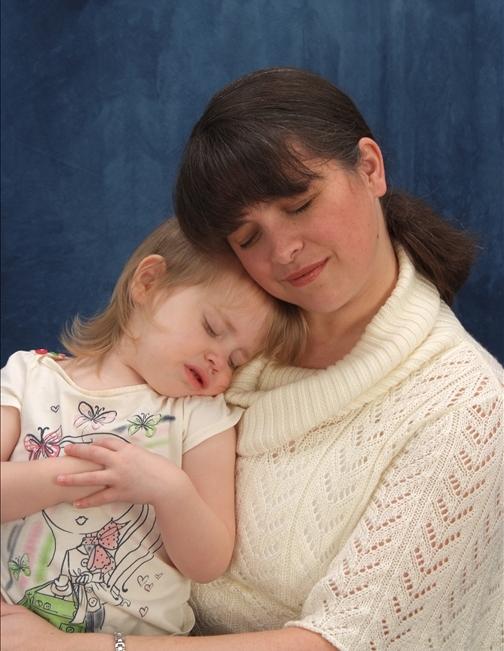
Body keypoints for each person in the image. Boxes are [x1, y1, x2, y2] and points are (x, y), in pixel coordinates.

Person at [1, 67, 502, 651]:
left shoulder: (468, 411)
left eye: (300, 204)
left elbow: (344, 643)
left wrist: (67, 646)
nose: (283, 251)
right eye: (247, 238)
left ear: (370, 168)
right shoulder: (217, 351)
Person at [0, 218, 302, 638]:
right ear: (149, 283)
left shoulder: (201, 415)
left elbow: (208, 563)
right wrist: (82, 474)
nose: (219, 360)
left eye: (236, 360)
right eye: (212, 329)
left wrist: (170, 491)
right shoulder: (30, 377)